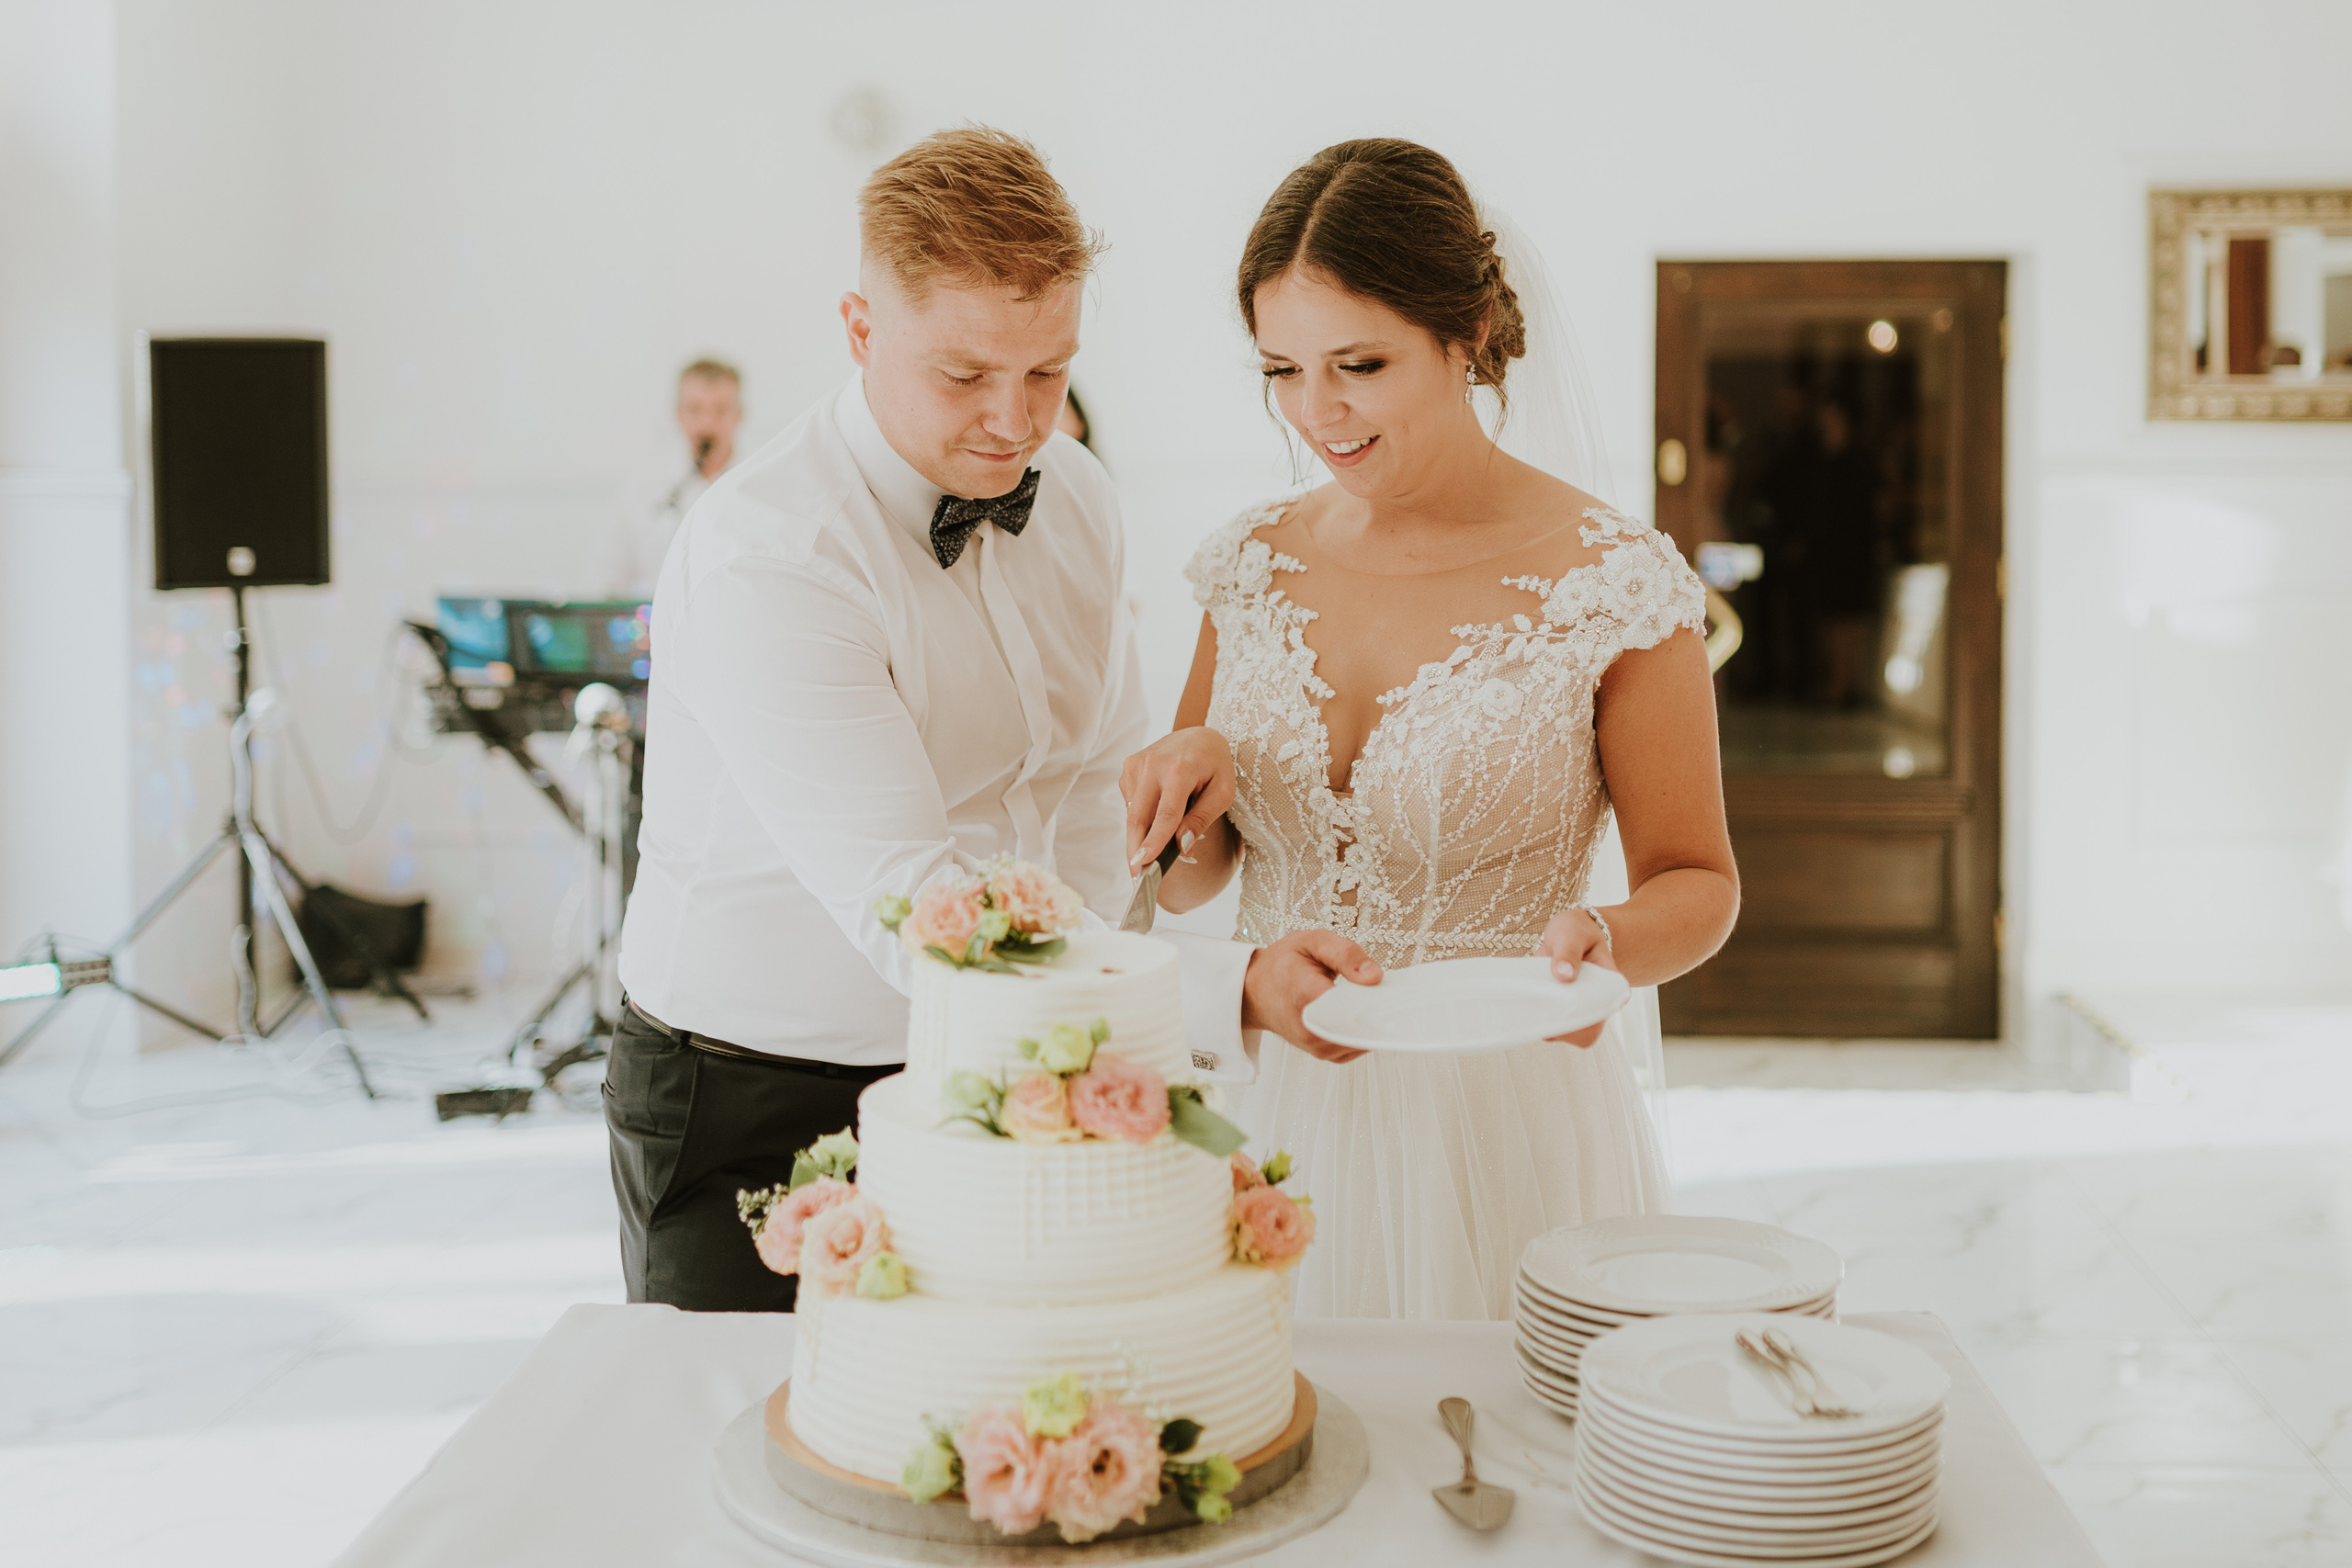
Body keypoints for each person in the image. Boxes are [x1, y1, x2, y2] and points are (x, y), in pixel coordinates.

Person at [606, 127, 1364, 1313]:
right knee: (758, 1452)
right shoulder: (774, 551)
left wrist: (1172, 855)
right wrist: (1218, 990)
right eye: (963, 375)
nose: (1015, 422)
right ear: (860, 331)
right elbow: (911, 907)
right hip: (754, 1089)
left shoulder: (1080, 494)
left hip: (1019, 1050)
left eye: (1049, 372)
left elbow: (1087, 803)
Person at [1121, 139, 1740, 1319]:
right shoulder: (1247, 568)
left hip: (1498, 1110)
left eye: (1358, 364)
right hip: (1269, 1099)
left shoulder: (1613, 582)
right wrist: (1187, 782)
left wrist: (1603, 942)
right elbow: (1195, 885)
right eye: (1283, 370)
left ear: (1467, 337)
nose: (1318, 412)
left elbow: (1698, 881)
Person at [609, 358, 745, 599]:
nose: (707, 424)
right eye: (695, 409)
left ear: (739, 416)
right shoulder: (642, 489)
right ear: (678, 414)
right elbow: (610, 576)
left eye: (720, 410)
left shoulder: (756, 487)